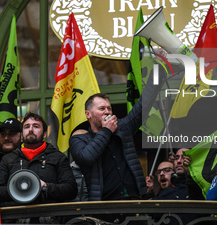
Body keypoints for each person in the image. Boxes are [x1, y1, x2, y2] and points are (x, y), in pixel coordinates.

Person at [69, 61, 166, 201]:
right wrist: (106, 131)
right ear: (88, 114)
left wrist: (158, 68)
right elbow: (87, 157)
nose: (107, 112)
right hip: (103, 204)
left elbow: (144, 104)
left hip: (133, 199)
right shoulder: (79, 139)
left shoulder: (122, 128)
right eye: (101, 109)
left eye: (109, 108)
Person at [0, 112, 77, 207]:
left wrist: (46, 187)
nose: (31, 130)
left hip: (48, 217)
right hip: (17, 218)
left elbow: (71, 190)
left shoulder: (58, 157)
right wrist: (15, 188)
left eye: (36, 126)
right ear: (22, 135)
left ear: (44, 134)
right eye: (26, 127)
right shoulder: (8, 159)